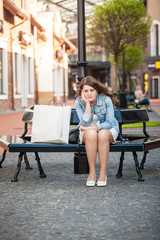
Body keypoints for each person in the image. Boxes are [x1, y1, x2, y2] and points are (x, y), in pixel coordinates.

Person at [75, 76, 119, 187]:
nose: (89, 94)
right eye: (86, 91)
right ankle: (92, 173)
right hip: (88, 133)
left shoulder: (106, 100)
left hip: (108, 130)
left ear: (97, 90)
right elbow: (84, 123)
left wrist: (92, 128)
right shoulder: (79, 102)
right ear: (81, 92)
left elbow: (109, 123)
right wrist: (88, 105)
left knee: (102, 134)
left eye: (91, 90)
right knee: (91, 134)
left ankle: (103, 174)